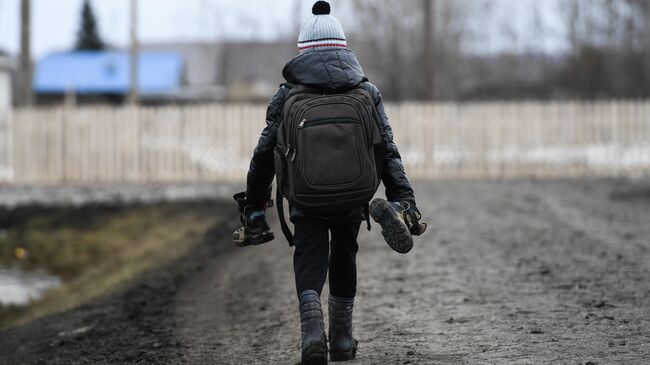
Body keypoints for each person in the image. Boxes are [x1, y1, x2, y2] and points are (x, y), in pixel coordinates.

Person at [233, 2, 425, 363]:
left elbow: (264, 154)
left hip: (305, 194)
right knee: (344, 251)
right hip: (354, 193)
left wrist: (255, 207)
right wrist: (402, 196)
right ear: (343, 47)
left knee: (309, 254)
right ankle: (341, 340)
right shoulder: (366, 92)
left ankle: (311, 335)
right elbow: (386, 148)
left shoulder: (287, 94)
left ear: (303, 50)